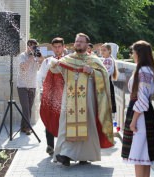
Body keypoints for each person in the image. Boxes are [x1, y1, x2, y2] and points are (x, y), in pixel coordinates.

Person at [40, 33, 114, 166]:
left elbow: (104, 75)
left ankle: (84, 156)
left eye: (81, 41)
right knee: (65, 127)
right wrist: (53, 64)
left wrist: (91, 71)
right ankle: (65, 155)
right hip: (68, 100)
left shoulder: (93, 60)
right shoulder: (67, 59)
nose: (78, 43)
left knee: (88, 126)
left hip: (87, 101)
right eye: (77, 41)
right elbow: (56, 71)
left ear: (87, 44)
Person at [121, 40, 154, 177]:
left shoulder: (143, 70)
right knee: (145, 156)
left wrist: (133, 121)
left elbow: (142, 100)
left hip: (140, 115)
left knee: (138, 154)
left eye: (133, 52)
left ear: (139, 53)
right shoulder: (149, 69)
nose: (132, 55)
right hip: (145, 113)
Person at [38, 37, 65, 156]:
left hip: (63, 97)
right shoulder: (47, 61)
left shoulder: (68, 60)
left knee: (62, 121)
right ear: (52, 47)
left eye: (59, 46)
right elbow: (40, 76)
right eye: (55, 47)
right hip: (49, 96)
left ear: (63, 47)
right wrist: (41, 91)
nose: (57, 49)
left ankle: (62, 147)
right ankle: (50, 145)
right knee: (49, 119)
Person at [16, 39, 44, 135]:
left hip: (32, 85)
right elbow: (23, 67)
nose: (34, 48)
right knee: (25, 107)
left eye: (36, 46)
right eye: (33, 46)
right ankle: (28, 128)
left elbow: (40, 66)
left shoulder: (35, 56)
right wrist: (31, 57)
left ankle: (23, 127)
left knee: (29, 108)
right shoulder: (22, 56)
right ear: (28, 46)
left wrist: (39, 57)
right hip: (22, 85)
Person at [100, 43, 118, 113]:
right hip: (107, 82)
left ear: (109, 51)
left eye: (104, 50)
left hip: (106, 83)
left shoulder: (108, 60)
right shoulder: (107, 59)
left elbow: (107, 72)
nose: (102, 52)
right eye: (101, 50)